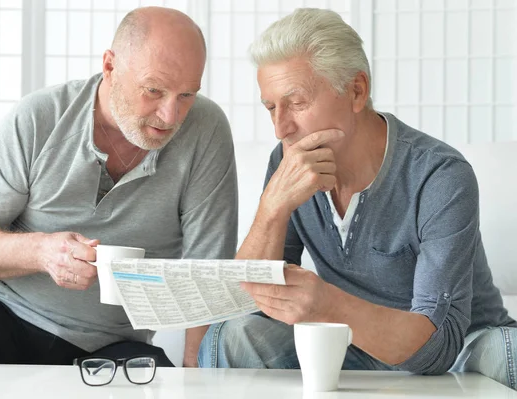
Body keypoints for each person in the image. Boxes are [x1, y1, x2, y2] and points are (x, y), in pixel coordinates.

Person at [0, 6, 238, 393]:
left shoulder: (206, 130)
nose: (170, 115)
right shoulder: (40, 117)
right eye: (153, 90)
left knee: (162, 383)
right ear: (110, 66)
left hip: (110, 343)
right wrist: (41, 252)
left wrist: (197, 379)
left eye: (186, 94)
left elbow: (208, 271)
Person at [197, 8, 517, 390]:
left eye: (296, 103)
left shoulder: (440, 174)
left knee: (506, 350)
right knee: (230, 335)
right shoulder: (287, 161)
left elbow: (439, 347)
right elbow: (245, 303)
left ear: (356, 91)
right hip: (348, 343)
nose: (281, 127)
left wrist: (327, 304)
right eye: (270, 107)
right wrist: (272, 207)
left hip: (463, 349)